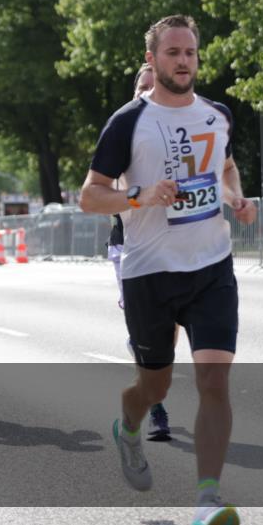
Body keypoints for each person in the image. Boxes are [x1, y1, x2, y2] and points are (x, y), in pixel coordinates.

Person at [78, 15, 256, 525]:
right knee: (153, 388)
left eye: (191, 52)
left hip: (211, 267)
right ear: (152, 60)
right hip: (150, 272)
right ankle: (129, 426)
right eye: (173, 53)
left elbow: (223, 168)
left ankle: (207, 498)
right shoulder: (128, 121)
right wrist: (138, 194)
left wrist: (235, 198)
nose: (184, 61)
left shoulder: (217, 114)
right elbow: (92, 194)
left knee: (214, 380)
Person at [105, 63, 172, 442]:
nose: (147, 93)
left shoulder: (179, 133)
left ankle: (154, 382)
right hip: (128, 245)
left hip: (173, 243)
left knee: (169, 326)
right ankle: (156, 404)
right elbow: (99, 193)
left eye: (154, 87)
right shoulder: (120, 133)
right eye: (141, 88)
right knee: (144, 327)